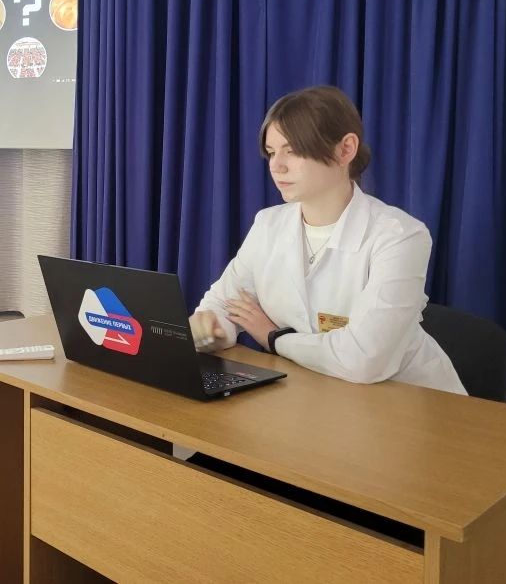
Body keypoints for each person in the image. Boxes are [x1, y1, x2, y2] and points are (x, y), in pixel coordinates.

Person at [189, 86, 466, 394]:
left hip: (409, 400)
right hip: (315, 394)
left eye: (292, 150)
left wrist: (274, 337)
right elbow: (222, 304)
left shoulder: (400, 236)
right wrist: (211, 328)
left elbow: (364, 359)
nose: (276, 166)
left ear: (345, 149)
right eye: (272, 152)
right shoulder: (268, 225)